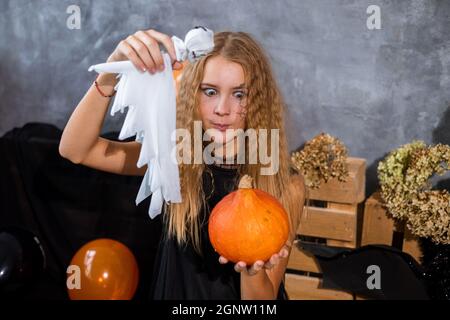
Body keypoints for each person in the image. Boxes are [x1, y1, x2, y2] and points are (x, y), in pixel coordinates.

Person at [59, 28, 305, 300]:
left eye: (239, 94)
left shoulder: (284, 183)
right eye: (210, 91)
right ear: (193, 93)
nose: (222, 108)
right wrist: (112, 70)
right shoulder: (174, 157)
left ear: (259, 100)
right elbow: (76, 150)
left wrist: (251, 271)